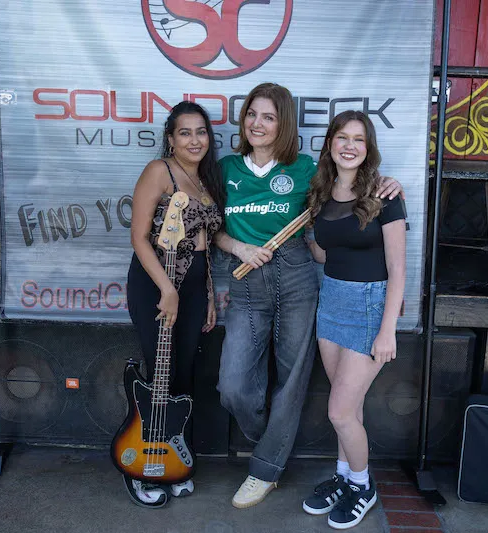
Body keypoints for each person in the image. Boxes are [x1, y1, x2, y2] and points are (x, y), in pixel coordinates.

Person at [213, 83, 403, 509]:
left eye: (268, 117)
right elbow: (211, 228)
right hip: (247, 279)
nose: (257, 123)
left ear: (284, 124)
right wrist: (238, 247)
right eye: (251, 114)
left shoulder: (307, 171)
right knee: (232, 386)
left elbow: (353, 189)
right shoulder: (225, 169)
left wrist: (389, 184)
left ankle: (266, 469)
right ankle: (271, 440)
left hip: (298, 278)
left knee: (293, 380)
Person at [301, 111, 406, 529]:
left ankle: (363, 486)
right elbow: (326, 253)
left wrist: (387, 330)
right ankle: (345, 477)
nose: (349, 145)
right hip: (331, 303)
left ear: (368, 148)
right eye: (342, 137)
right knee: (351, 407)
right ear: (330, 144)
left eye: (358, 139)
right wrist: (303, 238)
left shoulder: (385, 194)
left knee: (340, 412)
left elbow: (398, 269)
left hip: (369, 307)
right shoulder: (321, 194)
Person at [125, 101, 224, 508]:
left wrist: (208, 294)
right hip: (155, 284)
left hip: (195, 288)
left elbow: (205, 244)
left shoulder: (206, 179)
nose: (194, 140)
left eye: (201, 132)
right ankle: (140, 467)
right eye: (185, 132)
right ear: (171, 138)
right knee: (159, 373)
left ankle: (170, 461)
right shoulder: (159, 171)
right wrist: (167, 290)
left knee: (183, 376)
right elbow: (138, 237)